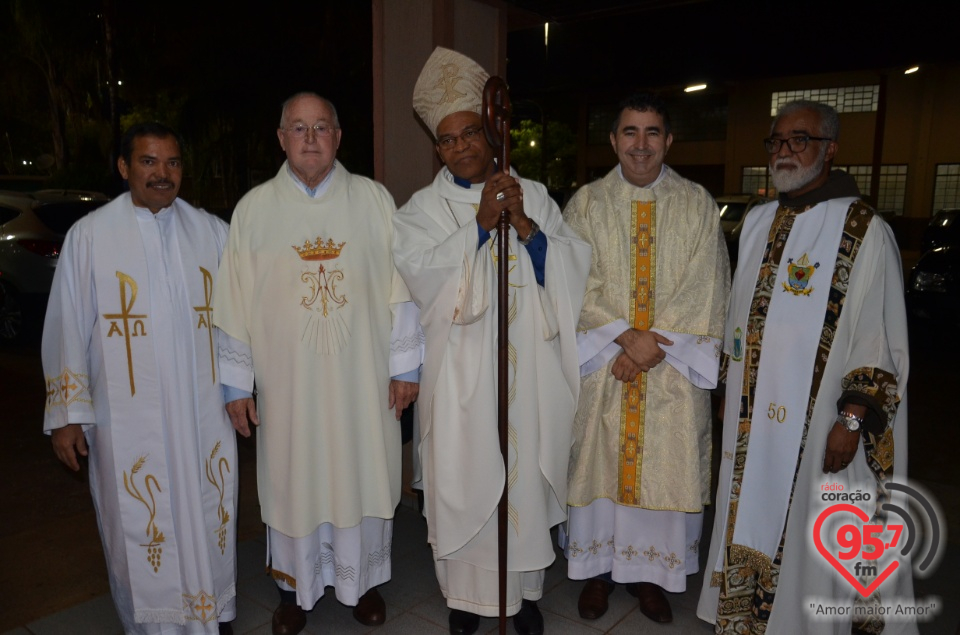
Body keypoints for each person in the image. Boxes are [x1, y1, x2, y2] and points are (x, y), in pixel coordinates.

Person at [392, 47, 591, 635]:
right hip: (460, 382)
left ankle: (524, 593)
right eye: (448, 140)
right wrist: (479, 225)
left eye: (470, 133)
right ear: (438, 148)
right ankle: (465, 600)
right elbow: (420, 281)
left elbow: (573, 268)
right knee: (464, 480)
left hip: (526, 372)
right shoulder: (420, 211)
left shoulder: (532, 194)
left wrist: (526, 229)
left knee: (522, 477)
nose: (461, 146)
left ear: (490, 134)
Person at [697, 100, 915, 634]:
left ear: (830, 149)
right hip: (753, 425)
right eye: (777, 141)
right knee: (746, 510)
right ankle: (747, 619)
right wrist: (729, 385)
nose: (785, 151)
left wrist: (854, 419)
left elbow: (878, 335)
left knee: (811, 529)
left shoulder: (863, 230)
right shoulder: (757, 220)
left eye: (800, 140)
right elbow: (740, 316)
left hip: (821, 424)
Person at [212, 93, 420, 635]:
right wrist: (236, 384)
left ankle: (363, 584)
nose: (309, 138)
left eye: (321, 127)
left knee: (363, 471)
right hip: (288, 388)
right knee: (292, 477)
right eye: (298, 128)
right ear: (280, 138)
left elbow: (402, 292)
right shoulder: (254, 210)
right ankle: (293, 590)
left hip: (363, 381)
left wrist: (406, 369)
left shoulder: (374, 201)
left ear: (338, 136)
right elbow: (231, 303)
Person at [42, 122, 238, 634]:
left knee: (206, 506)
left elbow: (238, 320)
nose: (162, 173)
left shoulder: (211, 233)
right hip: (125, 418)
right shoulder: (91, 236)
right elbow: (66, 326)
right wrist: (67, 418)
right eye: (149, 162)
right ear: (125, 168)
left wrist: (240, 388)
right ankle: (152, 623)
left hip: (203, 409)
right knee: (140, 518)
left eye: (172, 162)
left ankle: (211, 611)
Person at [561, 93, 730, 624]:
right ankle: (598, 575)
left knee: (666, 467)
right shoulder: (585, 204)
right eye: (629, 132)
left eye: (652, 132)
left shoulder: (696, 202)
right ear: (613, 141)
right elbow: (572, 283)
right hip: (606, 366)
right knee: (598, 468)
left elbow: (707, 283)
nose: (641, 144)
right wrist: (624, 338)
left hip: (670, 373)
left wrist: (651, 345)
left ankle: (651, 578)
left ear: (668, 140)